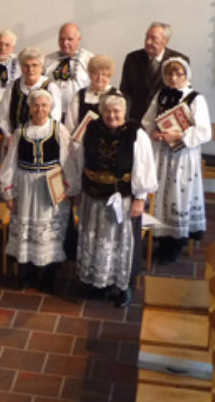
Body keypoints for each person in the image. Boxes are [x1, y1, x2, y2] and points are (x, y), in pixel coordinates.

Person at [72, 90, 157, 307]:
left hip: (122, 198)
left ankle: (123, 286)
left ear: (124, 111)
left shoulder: (135, 134)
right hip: (93, 194)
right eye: (107, 111)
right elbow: (80, 159)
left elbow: (144, 167)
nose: (112, 115)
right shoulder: (91, 128)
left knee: (121, 243)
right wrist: (79, 190)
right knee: (95, 238)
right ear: (101, 112)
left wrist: (140, 198)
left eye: (116, 111)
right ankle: (98, 283)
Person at [0, 89, 75, 292]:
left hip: (51, 185)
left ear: (50, 108)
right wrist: (8, 191)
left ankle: (48, 274)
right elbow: (10, 163)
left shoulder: (59, 130)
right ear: (29, 107)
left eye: (44, 105)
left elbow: (68, 161)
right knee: (27, 229)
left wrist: (70, 187)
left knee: (49, 228)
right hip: (25, 185)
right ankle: (28, 272)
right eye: (36, 105)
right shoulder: (20, 132)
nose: (40, 109)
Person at [141, 57, 210, 264]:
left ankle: (175, 242)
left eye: (177, 74)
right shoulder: (161, 95)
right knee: (160, 193)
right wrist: (153, 131)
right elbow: (147, 119)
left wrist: (179, 136)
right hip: (161, 153)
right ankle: (161, 236)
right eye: (169, 74)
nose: (173, 78)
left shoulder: (195, 99)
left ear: (186, 75)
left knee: (177, 194)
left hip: (182, 157)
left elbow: (204, 131)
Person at [120, 22, 189, 122]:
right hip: (135, 120)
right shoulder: (132, 59)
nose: (148, 42)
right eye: (147, 37)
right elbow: (125, 92)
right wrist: (125, 117)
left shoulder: (179, 60)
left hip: (164, 121)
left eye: (153, 38)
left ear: (165, 41)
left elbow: (184, 93)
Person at [0, 47, 63, 140]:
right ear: (21, 68)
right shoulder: (13, 86)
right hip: (16, 139)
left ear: (41, 67)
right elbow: (2, 116)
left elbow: (55, 116)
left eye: (34, 65)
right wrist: (8, 135)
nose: (30, 69)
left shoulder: (50, 87)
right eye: (26, 65)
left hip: (43, 139)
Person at [43, 23, 94, 115]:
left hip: (79, 113)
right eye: (62, 39)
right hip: (51, 113)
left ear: (78, 39)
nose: (65, 43)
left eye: (70, 39)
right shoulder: (47, 60)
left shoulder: (90, 60)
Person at [64, 55, 115, 136]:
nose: (100, 78)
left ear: (110, 76)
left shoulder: (116, 96)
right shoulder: (79, 96)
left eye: (104, 74)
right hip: (82, 145)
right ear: (90, 74)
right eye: (96, 73)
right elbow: (69, 126)